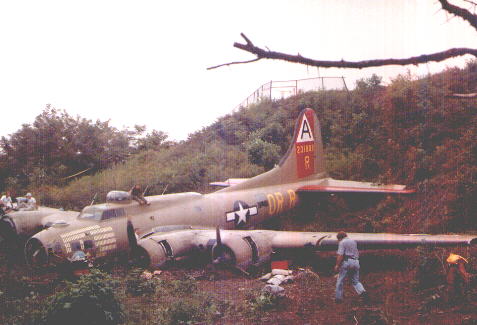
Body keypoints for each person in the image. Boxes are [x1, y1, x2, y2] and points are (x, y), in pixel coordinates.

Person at [334, 231, 368, 303]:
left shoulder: (342, 242)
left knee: (340, 280)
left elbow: (340, 255)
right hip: (356, 261)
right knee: (355, 280)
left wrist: (337, 265)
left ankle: (338, 298)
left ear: (340, 238)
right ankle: (362, 292)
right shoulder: (353, 242)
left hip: (347, 262)